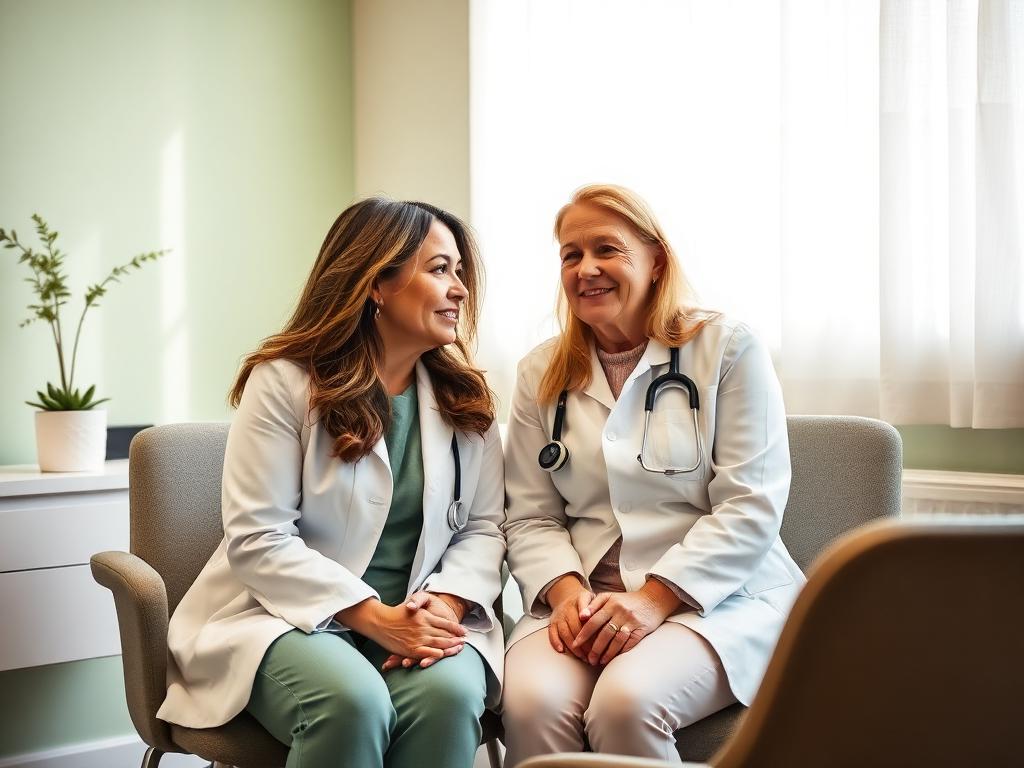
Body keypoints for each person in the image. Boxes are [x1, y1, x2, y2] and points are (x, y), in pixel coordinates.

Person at [155, 198, 505, 768]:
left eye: (460, 272)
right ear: (376, 284)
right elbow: (259, 537)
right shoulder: (284, 382)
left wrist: (444, 603)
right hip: (287, 617)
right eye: (440, 269)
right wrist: (375, 618)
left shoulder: (465, 401)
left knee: (448, 696)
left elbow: (484, 530)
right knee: (350, 703)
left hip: (423, 616)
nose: (460, 289)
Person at [501, 184, 805, 764]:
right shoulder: (540, 372)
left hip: (715, 599)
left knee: (626, 704)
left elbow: (750, 504)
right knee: (533, 704)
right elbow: (530, 515)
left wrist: (652, 599)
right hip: (584, 599)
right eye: (571, 255)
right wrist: (567, 595)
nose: (586, 269)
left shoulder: (726, 349)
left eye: (606, 249)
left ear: (656, 259)